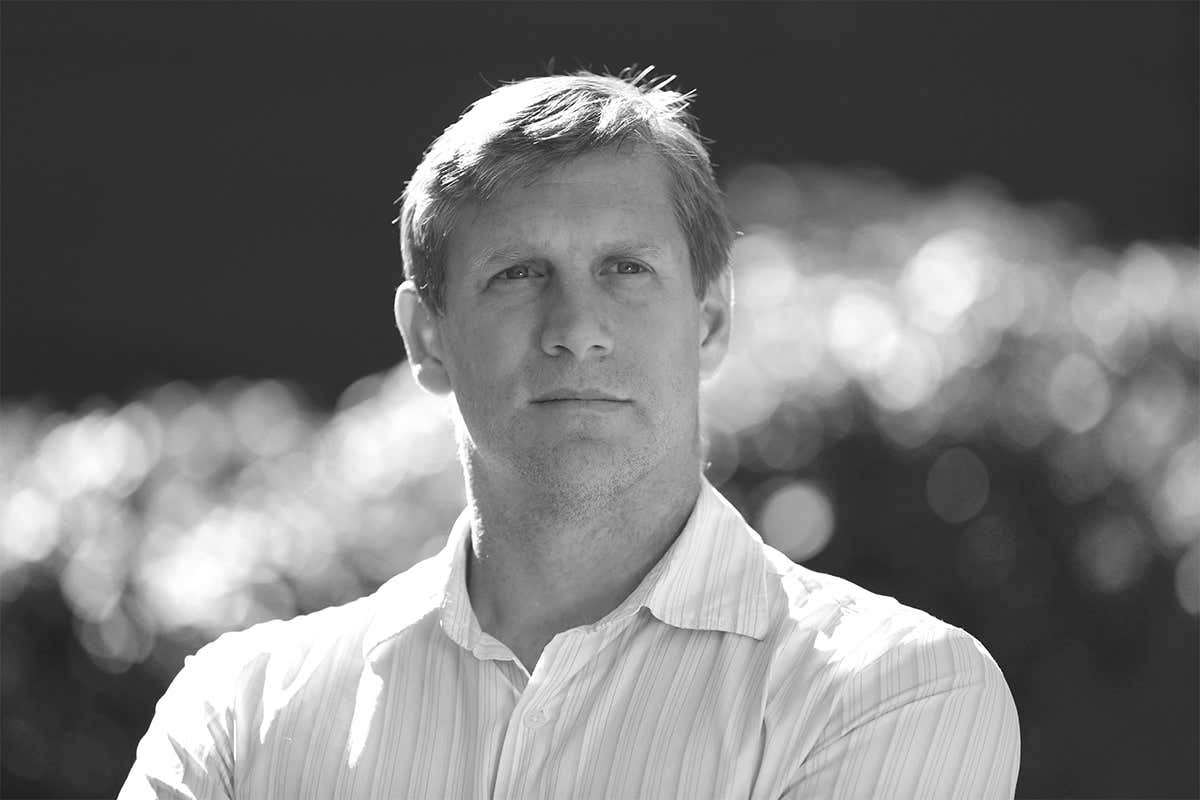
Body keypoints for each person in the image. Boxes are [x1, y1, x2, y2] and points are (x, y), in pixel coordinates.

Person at [120, 68, 1020, 799]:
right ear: (426, 339)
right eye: (518, 274)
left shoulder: (895, 691)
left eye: (625, 268)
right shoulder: (240, 712)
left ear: (709, 319)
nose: (576, 327)